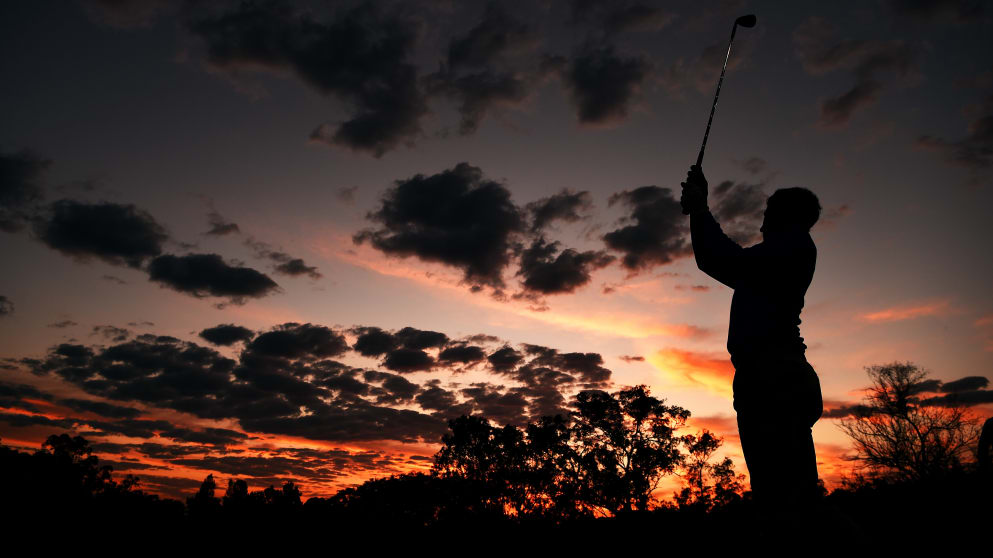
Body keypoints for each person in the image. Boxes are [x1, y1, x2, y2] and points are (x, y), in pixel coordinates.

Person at [680, 164, 824, 521]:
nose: (760, 226)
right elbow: (718, 260)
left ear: (784, 218)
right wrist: (700, 208)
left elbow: (722, 259)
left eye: (767, 216)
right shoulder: (783, 255)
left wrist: (700, 208)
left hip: (772, 376)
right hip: (774, 373)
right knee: (789, 495)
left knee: (784, 501)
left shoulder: (790, 249)